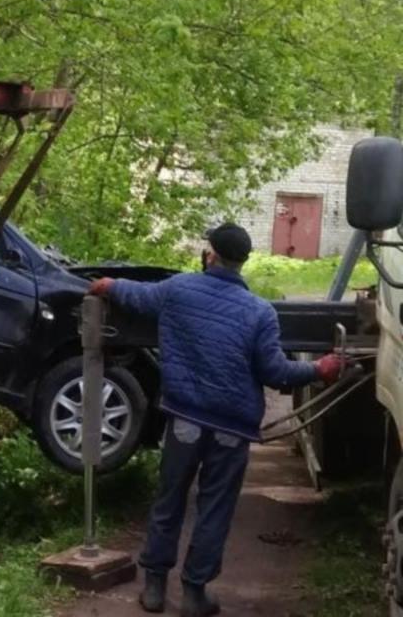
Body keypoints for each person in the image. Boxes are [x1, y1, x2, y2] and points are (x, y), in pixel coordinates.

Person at [87, 223, 344, 616]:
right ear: (243, 263)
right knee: (214, 509)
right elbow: (276, 373)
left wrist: (106, 285)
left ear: (210, 255)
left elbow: (134, 295)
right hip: (231, 429)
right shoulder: (260, 313)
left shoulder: (178, 290)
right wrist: (320, 369)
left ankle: (154, 589)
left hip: (185, 419)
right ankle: (194, 595)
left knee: (169, 500)